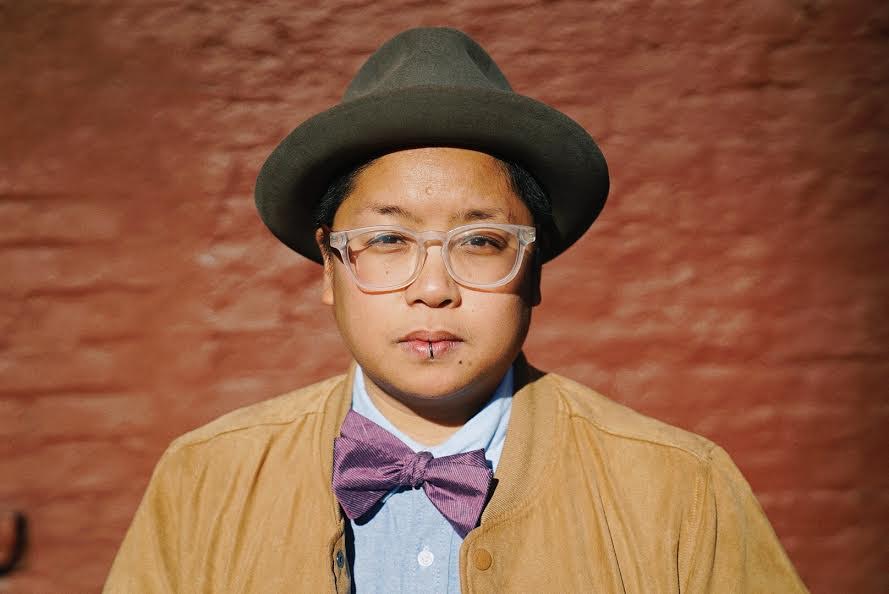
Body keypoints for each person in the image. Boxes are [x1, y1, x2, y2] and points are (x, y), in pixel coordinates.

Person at [105, 27, 808, 593]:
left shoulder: (679, 486)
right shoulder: (206, 477)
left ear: (531, 271)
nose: (433, 288)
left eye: (479, 242)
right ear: (329, 266)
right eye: (386, 239)